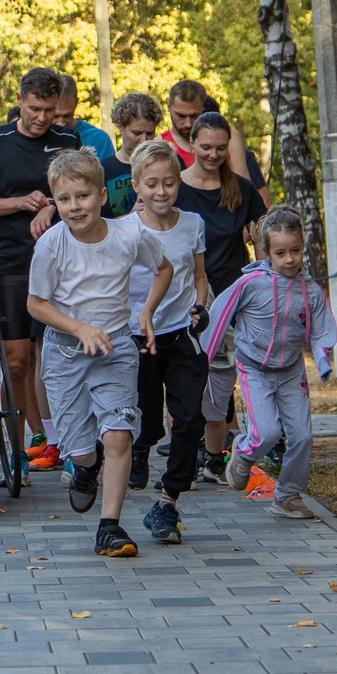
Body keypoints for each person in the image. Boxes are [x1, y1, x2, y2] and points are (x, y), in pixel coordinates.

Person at [29, 149, 170, 556]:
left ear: (102, 196)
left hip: (115, 349)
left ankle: (109, 527)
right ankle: (86, 469)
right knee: (82, 449)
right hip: (65, 355)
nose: (75, 207)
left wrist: (146, 311)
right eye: (65, 199)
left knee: (119, 435)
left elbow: (164, 269)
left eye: (83, 196)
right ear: (55, 203)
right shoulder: (51, 245)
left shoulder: (130, 234)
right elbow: (35, 304)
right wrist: (79, 328)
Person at [0, 68, 81, 471]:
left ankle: (69, 447)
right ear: (19, 100)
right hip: (14, 261)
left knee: (64, 358)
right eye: (35, 109)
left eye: (50, 111)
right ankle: (15, 452)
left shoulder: (67, 140)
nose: (42, 118)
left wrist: (52, 205)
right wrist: (20, 203)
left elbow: (81, 192)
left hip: (65, 264)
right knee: (16, 361)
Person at [205, 208, 333, 520]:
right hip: (254, 370)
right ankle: (243, 454)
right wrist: (206, 354)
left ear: (303, 247)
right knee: (267, 433)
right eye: (280, 252)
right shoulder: (251, 284)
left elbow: (321, 328)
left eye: (295, 251)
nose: (289, 259)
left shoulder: (310, 291)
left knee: (302, 436)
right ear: (266, 251)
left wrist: (323, 358)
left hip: (291, 372)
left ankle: (288, 496)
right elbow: (220, 312)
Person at [124, 140, 210, 541]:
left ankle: (167, 503)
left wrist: (200, 306)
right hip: (137, 336)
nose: (162, 192)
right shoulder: (126, 230)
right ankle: (142, 444)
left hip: (180, 334)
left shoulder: (192, 223)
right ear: (136, 185)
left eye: (170, 183)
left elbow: (199, 275)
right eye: (152, 184)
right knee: (146, 415)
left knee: (190, 416)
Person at [179, 112, 266, 481]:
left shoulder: (241, 190)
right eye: (205, 147)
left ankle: (214, 453)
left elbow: (266, 233)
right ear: (192, 144)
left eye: (219, 148)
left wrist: (265, 278)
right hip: (185, 293)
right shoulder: (175, 186)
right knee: (185, 376)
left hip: (232, 293)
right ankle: (183, 453)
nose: (212, 155)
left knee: (221, 376)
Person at [165, 78, 256, 183]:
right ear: (168, 106)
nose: (188, 123)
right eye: (181, 116)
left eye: (194, 116)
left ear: (203, 109)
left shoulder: (228, 135)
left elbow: (243, 184)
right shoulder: (161, 143)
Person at [103, 92, 163, 217]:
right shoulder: (104, 170)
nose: (144, 140)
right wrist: (131, 216)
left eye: (150, 133)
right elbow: (99, 225)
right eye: (137, 133)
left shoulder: (165, 165)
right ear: (120, 126)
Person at [53, 73, 115, 162]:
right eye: (55, 116)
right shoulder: (36, 136)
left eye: (67, 116)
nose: (61, 123)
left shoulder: (99, 140)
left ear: (76, 103)